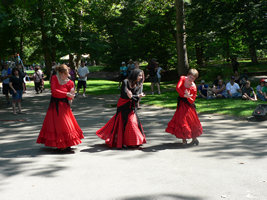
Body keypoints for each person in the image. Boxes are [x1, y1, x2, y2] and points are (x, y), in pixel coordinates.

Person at [36, 64, 84, 152]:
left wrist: (71, 96)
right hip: (54, 105)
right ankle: (61, 144)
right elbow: (54, 91)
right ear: (60, 73)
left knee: (65, 124)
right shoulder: (54, 78)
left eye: (67, 73)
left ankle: (66, 144)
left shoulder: (70, 82)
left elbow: (70, 97)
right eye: (64, 74)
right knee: (56, 125)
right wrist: (66, 94)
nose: (67, 75)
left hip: (64, 106)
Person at [96, 69, 146, 148]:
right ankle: (124, 141)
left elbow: (137, 98)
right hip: (122, 106)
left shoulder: (140, 84)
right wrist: (134, 96)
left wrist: (133, 96)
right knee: (121, 123)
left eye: (142, 76)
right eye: (139, 75)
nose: (141, 77)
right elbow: (124, 95)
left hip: (132, 107)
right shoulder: (125, 82)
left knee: (132, 122)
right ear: (134, 74)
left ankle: (133, 142)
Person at [165, 69, 203, 146]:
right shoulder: (182, 78)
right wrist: (184, 95)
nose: (190, 79)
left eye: (193, 78)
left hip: (189, 105)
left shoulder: (193, 87)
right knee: (181, 121)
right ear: (187, 75)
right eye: (190, 77)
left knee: (191, 121)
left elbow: (192, 100)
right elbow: (178, 88)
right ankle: (184, 140)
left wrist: (188, 97)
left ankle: (194, 139)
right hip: (181, 104)